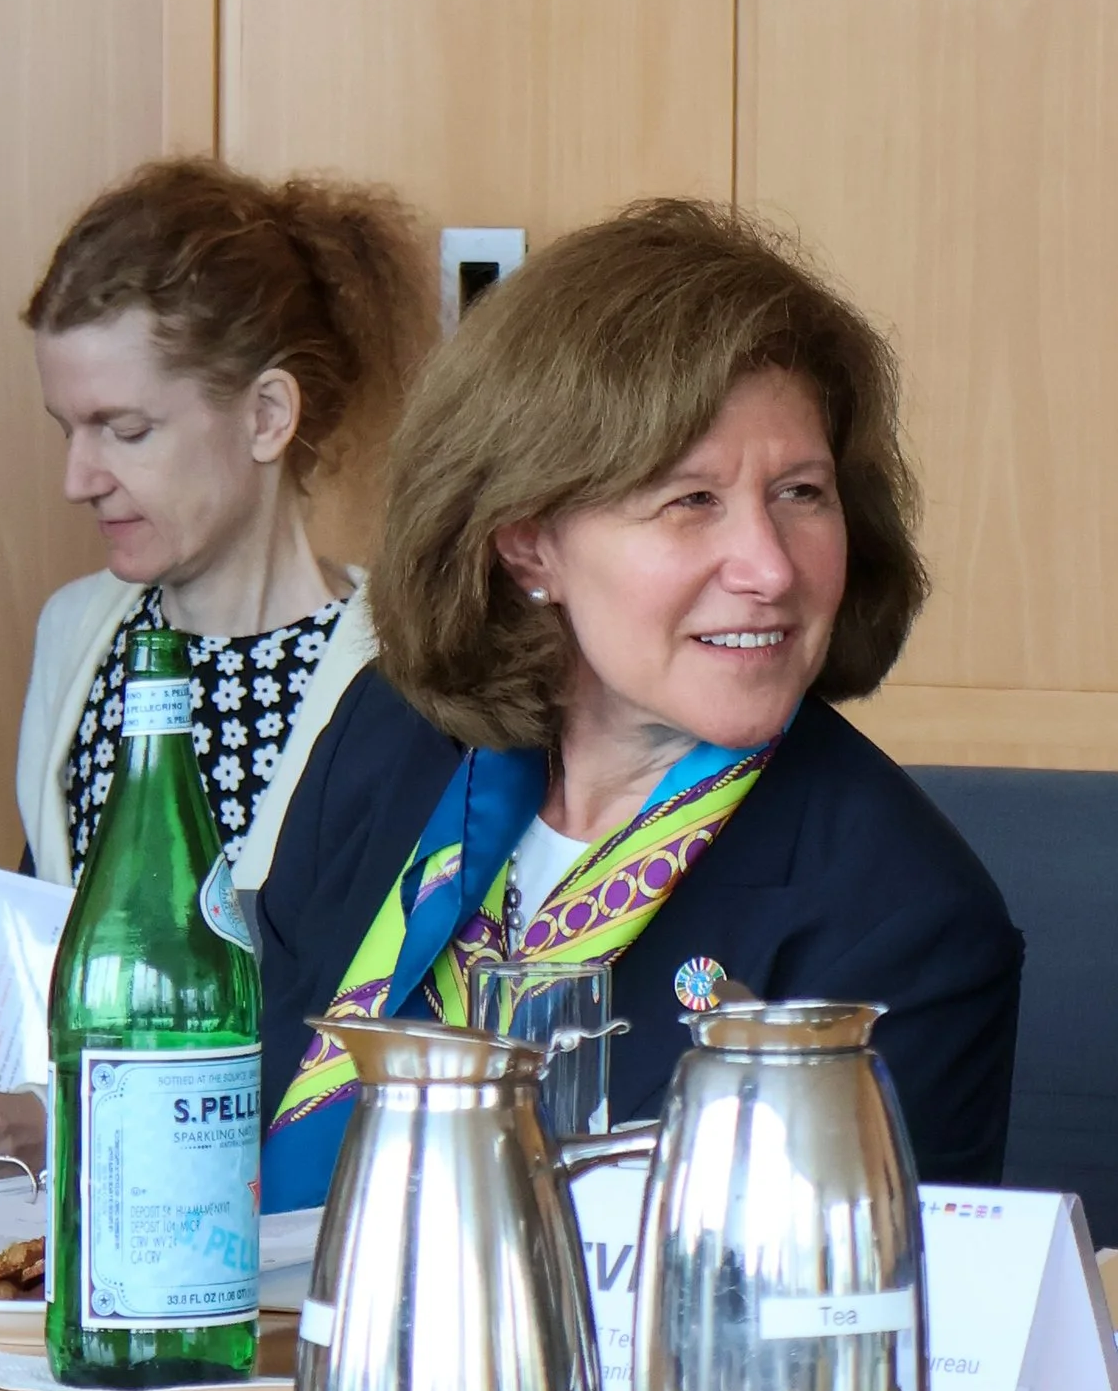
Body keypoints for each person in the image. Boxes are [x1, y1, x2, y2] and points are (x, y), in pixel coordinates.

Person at [255, 199, 1021, 1210]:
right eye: (689, 500)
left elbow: (833, 1325)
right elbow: (241, 1089)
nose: (767, 567)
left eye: (801, 492)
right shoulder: (391, 737)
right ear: (527, 542)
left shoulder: (905, 921)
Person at [0, 158, 433, 1179]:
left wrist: (77, 1128)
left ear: (269, 416)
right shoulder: (80, 635)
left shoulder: (401, 685)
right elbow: (24, 1005)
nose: (76, 478)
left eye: (125, 431)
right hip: (43, 1259)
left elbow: (347, 1062)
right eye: (68, 429)